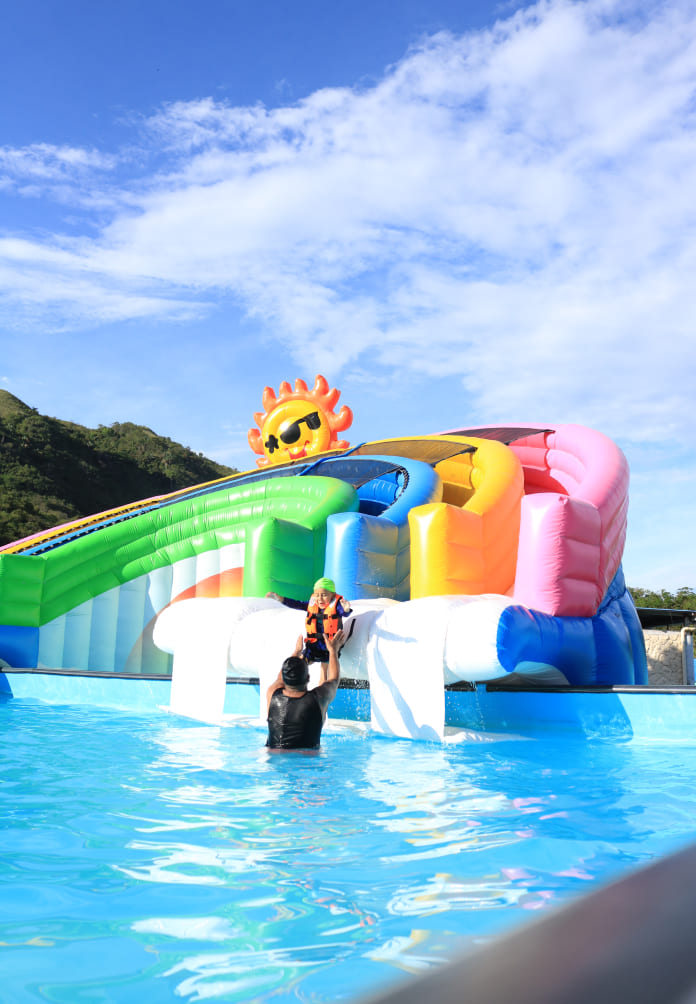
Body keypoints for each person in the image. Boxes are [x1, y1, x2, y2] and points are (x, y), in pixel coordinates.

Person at [266, 629, 345, 750]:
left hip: (273, 758)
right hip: (307, 765)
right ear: (308, 677)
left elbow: (281, 676)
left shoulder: (272, 694)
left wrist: (297, 652)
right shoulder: (318, 698)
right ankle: (324, 665)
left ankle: (323, 665)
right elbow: (333, 680)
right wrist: (333, 651)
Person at [266, 577, 352, 682]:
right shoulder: (312, 604)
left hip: (329, 645)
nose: (320, 599)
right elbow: (297, 604)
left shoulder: (336, 605)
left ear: (333, 595)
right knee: (298, 664)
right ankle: (291, 683)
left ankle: (322, 692)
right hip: (313, 644)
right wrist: (281, 599)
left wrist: (346, 609)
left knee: (324, 670)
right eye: (317, 595)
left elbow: (344, 612)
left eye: (324, 595)